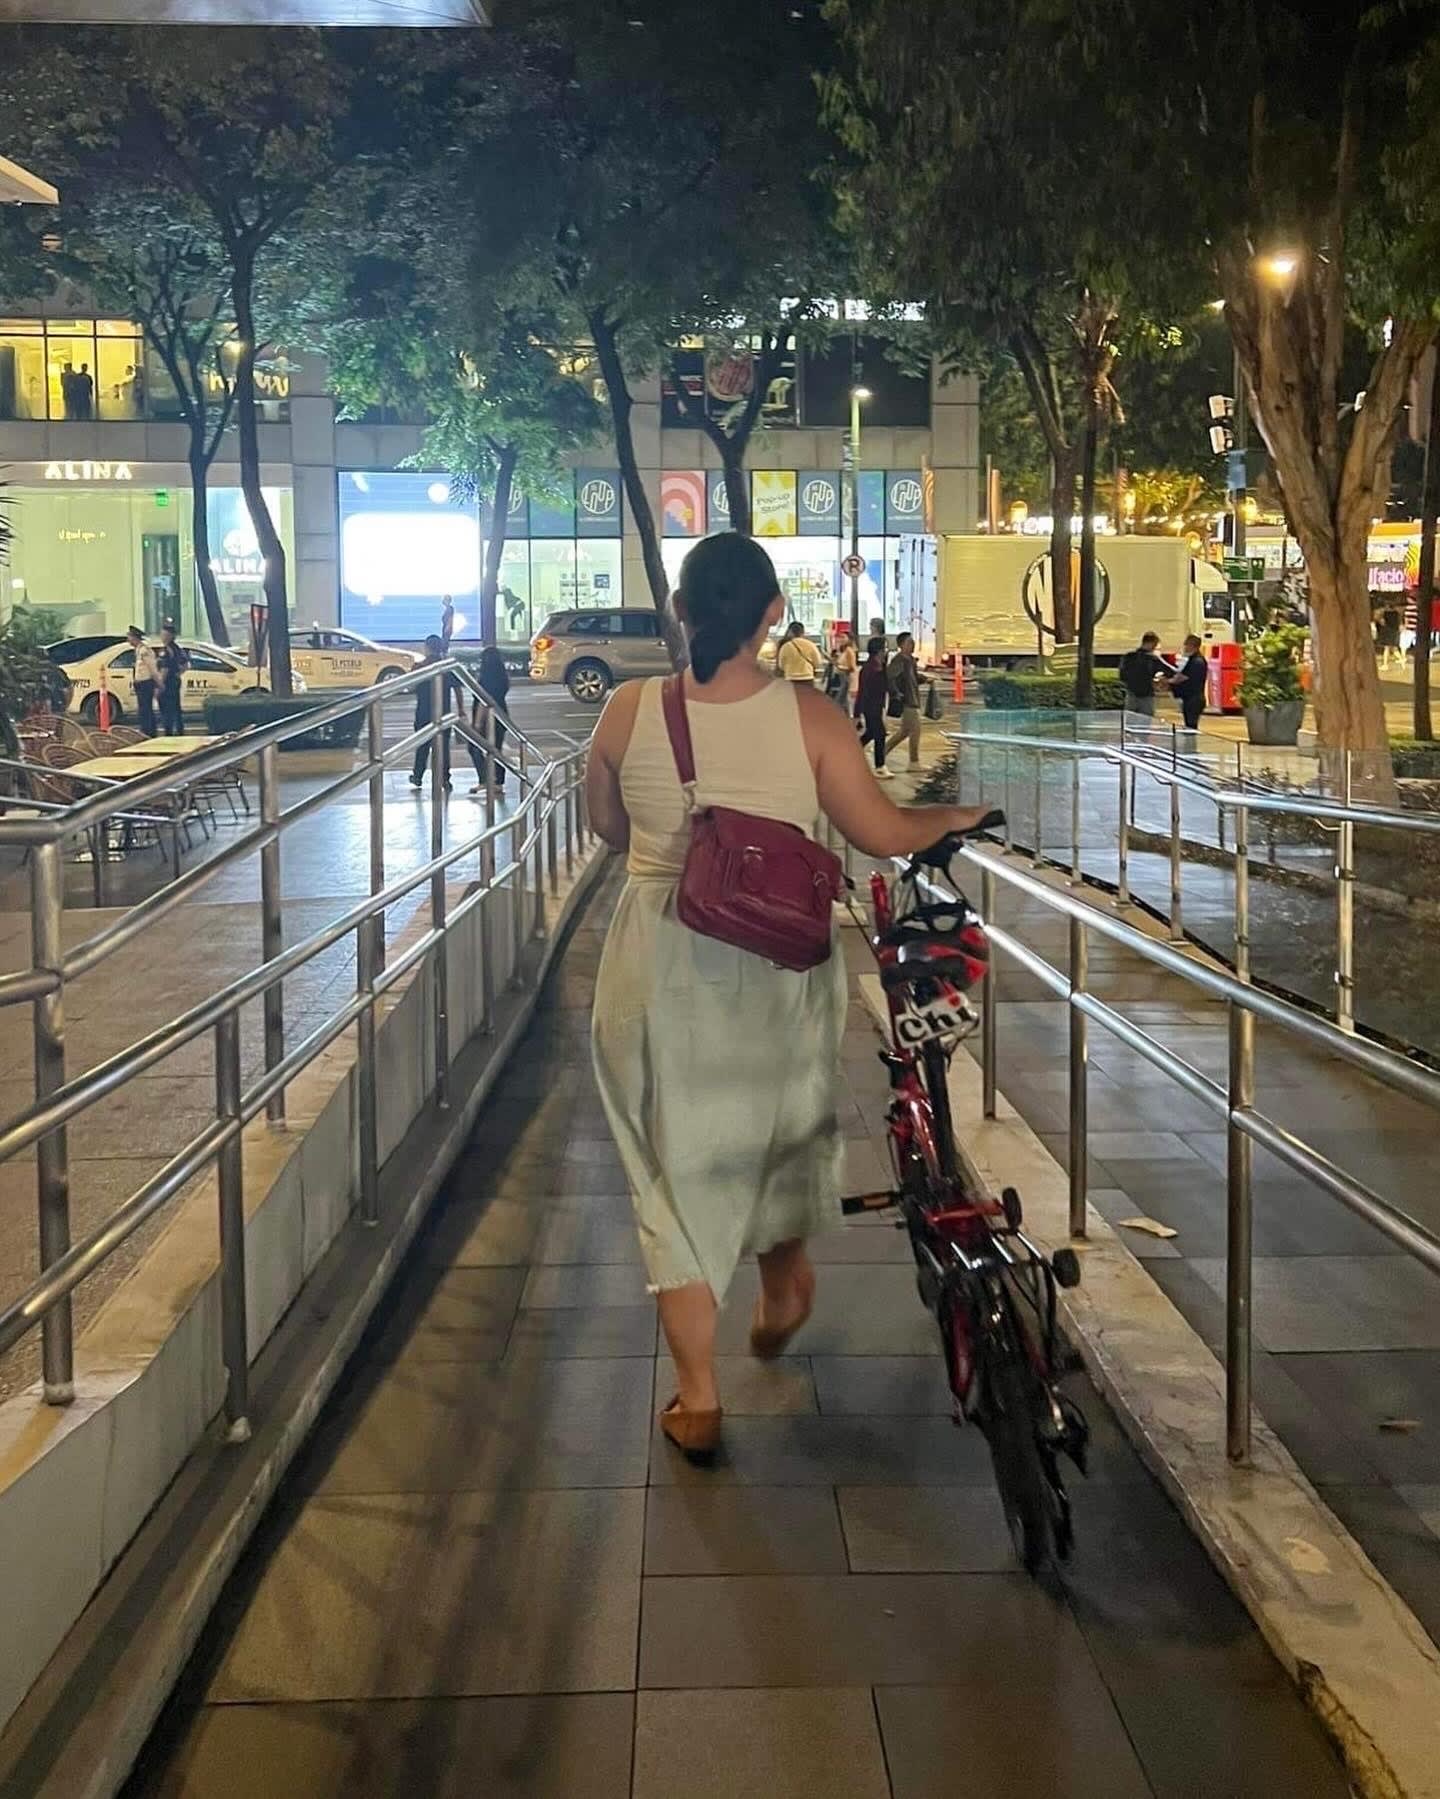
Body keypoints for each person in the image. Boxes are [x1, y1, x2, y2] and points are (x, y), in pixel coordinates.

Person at [586, 532, 993, 1458]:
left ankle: (699, 1399)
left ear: (680, 610)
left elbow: (608, 828)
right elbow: (881, 831)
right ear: (772, 613)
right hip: (776, 964)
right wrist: (959, 816)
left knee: (671, 1173)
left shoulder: (626, 709)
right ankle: (784, 1288)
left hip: (655, 959)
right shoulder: (811, 716)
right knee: (773, 1126)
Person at [409, 634, 461, 790]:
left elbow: (411, 686)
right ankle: (445, 778)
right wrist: (461, 709)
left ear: (427, 648)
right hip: (443, 712)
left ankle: (418, 776)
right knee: (443, 747)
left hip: (423, 712)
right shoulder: (447, 666)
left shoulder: (419, 667)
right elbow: (457, 688)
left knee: (422, 746)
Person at [467, 643, 511, 796]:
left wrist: (477, 722)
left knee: (474, 747)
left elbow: (483, 701)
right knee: (496, 749)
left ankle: (485, 780)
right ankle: (498, 781)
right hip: (501, 716)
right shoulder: (502, 677)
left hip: (486, 719)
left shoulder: (486, 678)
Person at [884, 631, 926, 769]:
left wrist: (924, 679)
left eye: (912, 642)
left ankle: (881, 753)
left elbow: (913, 678)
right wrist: (896, 693)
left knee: (905, 731)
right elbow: (890, 677)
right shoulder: (899, 660)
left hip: (913, 698)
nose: (912, 644)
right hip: (907, 700)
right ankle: (914, 762)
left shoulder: (910, 660)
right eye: (909, 642)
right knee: (915, 730)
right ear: (901, 645)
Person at [856, 635, 891, 779]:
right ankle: (880, 766)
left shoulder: (881, 666)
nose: (886, 650)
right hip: (870, 706)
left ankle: (851, 750)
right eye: (885, 648)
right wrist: (857, 713)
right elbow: (862, 691)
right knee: (880, 734)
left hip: (878, 705)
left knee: (871, 733)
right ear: (878, 650)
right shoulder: (868, 668)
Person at [1118, 631, 1168, 717]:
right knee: (1145, 720)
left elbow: (1122, 675)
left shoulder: (1129, 657)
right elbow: (1166, 672)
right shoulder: (1152, 659)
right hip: (1146, 695)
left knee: (1130, 720)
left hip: (1131, 694)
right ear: (1151, 644)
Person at [1167, 633, 1208, 736]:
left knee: (1191, 726)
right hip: (1191, 698)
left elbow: (1182, 677)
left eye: (1186, 644)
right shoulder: (1193, 659)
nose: (1185, 647)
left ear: (1192, 645)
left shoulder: (1197, 661)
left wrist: (1167, 682)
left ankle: (1191, 744)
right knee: (1189, 725)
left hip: (1194, 699)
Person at [154, 620, 190, 736]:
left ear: (170, 636)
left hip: (167, 683)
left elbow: (164, 669)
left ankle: (168, 734)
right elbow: (186, 665)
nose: (162, 637)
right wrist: (178, 673)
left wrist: (159, 685)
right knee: (176, 708)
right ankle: (180, 731)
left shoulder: (165, 651)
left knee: (166, 711)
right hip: (175, 681)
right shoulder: (178, 649)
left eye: (164, 634)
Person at [127, 625, 159, 737]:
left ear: (134, 637)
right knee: (143, 710)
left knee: (146, 710)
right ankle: (145, 731)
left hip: (146, 683)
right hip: (140, 684)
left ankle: (149, 733)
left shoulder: (145, 651)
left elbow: (152, 668)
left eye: (129, 637)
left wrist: (158, 683)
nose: (128, 639)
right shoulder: (138, 650)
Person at [776, 619, 822, 684]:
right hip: (807, 677)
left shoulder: (785, 646)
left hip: (791, 678)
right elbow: (818, 662)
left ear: (791, 632)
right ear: (803, 632)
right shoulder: (810, 644)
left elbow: (781, 664)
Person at [828, 633, 859, 707]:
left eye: (843, 637)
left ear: (849, 639)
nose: (841, 639)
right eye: (840, 637)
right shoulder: (843, 651)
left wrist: (839, 667)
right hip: (842, 678)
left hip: (847, 678)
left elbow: (852, 667)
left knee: (840, 700)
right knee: (844, 702)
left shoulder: (849, 651)